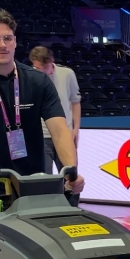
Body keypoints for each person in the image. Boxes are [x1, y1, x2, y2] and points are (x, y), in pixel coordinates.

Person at [0, 8, 85, 249]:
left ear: (15, 41)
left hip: (35, 184)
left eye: (8, 38)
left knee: (42, 256)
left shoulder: (37, 80)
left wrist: (71, 172)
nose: (2, 45)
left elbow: (60, 131)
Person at [29, 46, 81, 175]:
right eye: (36, 68)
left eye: (43, 67)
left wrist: (76, 129)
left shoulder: (67, 74)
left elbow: (75, 102)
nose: (40, 71)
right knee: (44, 178)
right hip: (41, 136)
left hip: (65, 133)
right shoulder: (30, 76)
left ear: (51, 61)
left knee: (70, 176)